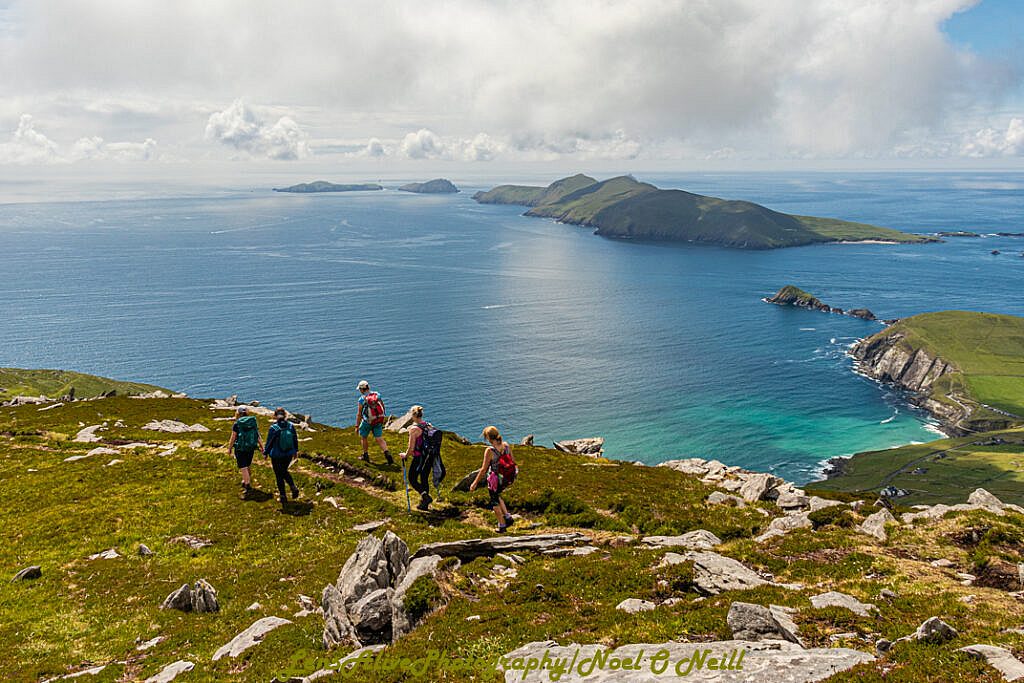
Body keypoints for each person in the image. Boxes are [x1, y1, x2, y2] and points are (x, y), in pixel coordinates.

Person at [470, 425, 516, 533]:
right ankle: (508, 517)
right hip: (506, 478)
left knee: (494, 502)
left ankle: (502, 525)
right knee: (498, 495)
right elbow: (513, 461)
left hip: (495, 479)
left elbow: (484, 469)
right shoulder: (506, 446)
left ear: (489, 438)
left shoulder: (490, 451)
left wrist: (475, 483)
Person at [399, 406, 445, 511]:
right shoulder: (428, 425)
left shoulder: (414, 429)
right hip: (429, 456)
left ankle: (425, 497)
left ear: (413, 415)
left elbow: (411, 448)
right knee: (424, 477)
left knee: (412, 478)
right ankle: (425, 503)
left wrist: (404, 455)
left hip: (419, 457)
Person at [264, 407, 300, 506]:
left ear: (275, 416)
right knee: (284, 471)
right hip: (288, 453)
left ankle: (283, 496)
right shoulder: (290, 426)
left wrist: (266, 453)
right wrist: (295, 452)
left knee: (279, 474)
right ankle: (293, 487)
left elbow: (269, 443)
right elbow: (294, 439)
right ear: (285, 416)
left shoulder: (273, 428)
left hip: (276, 454)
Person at [356, 380, 393, 465]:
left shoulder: (362, 399)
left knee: (363, 437)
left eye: (360, 389)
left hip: (367, 422)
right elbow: (382, 406)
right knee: (379, 438)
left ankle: (365, 456)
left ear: (362, 389)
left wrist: (357, 426)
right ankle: (388, 456)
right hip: (378, 420)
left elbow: (359, 414)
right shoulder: (377, 395)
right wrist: (382, 418)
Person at [226, 406, 262, 493]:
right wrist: (262, 446)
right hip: (251, 447)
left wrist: (229, 448)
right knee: (248, 464)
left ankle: (247, 485)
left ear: (238, 413)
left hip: (240, 448)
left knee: (243, 467)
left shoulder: (237, 423)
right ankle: (246, 479)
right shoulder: (253, 422)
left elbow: (233, 437)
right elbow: (257, 435)